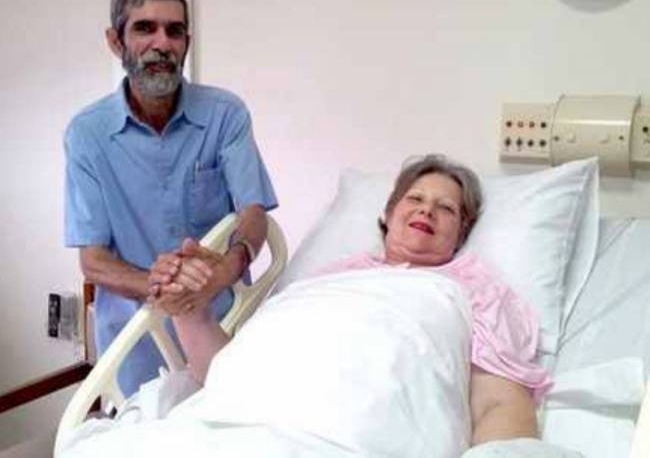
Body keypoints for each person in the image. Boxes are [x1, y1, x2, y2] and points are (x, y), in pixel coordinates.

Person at [60, 155, 557, 458]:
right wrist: (191, 309)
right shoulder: (322, 280)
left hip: (359, 431)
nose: (426, 209)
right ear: (388, 214)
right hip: (232, 423)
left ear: (462, 231)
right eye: (414, 199)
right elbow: (229, 374)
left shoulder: (473, 290)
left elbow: (497, 402)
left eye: (446, 207)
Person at [64, 0, 277, 398]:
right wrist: (157, 284)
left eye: (175, 31)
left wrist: (227, 268)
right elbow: (94, 261)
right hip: (134, 346)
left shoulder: (225, 115)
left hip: (224, 326)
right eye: (145, 28)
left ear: (186, 42)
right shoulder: (86, 134)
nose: (162, 43)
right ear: (115, 41)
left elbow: (253, 214)